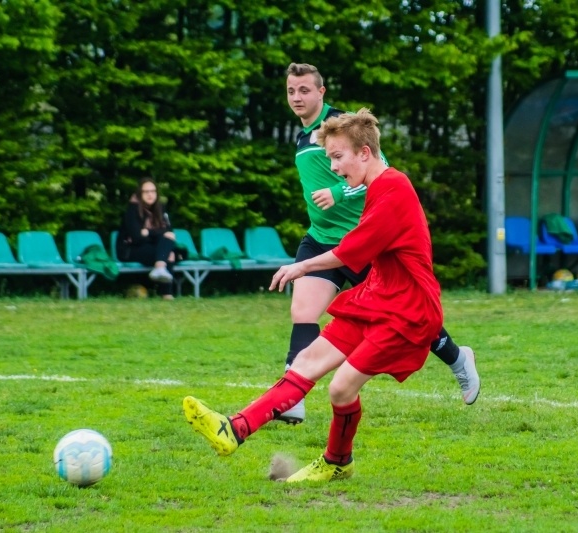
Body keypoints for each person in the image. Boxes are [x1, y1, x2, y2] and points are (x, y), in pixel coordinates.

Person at [184, 108, 451, 482]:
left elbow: (352, 249)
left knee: (341, 387)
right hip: (378, 298)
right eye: (329, 159)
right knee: (307, 360)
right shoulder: (376, 187)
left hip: (407, 309)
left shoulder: (394, 186)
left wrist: (301, 266)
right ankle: (234, 429)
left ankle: (336, 461)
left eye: (338, 157)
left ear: (364, 153)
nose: (334, 168)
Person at [276, 62, 479, 424]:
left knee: (407, 315)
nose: (297, 97)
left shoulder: (341, 128)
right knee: (303, 312)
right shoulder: (301, 135)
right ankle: (293, 398)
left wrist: (338, 193)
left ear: (321, 93)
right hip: (320, 240)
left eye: (304, 90)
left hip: (363, 242)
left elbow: (379, 166)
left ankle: (459, 359)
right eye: (291, 91)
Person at [116, 178, 178, 300]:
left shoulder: (160, 208)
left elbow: (169, 232)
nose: (150, 194)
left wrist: (148, 232)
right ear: (140, 193)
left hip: (151, 246)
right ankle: (166, 294)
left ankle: (160, 270)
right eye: (146, 192)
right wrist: (157, 235)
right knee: (168, 253)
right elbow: (136, 237)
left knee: (168, 248)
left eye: (153, 191)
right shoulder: (132, 210)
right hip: (130, 249)